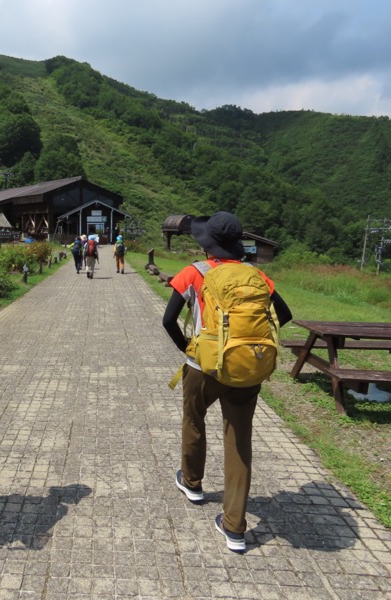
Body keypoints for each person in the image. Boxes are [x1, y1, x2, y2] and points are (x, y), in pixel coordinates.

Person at [161, 212, 292, 552]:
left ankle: (192, 483)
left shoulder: (195, 271)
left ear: (207, 244)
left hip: (202, 367)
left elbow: (168, 319)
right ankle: (234, 527)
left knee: (194, 420)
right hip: (245, 370)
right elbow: (285, 315)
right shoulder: (256, 275)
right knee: (239, 441)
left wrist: (188, 346)